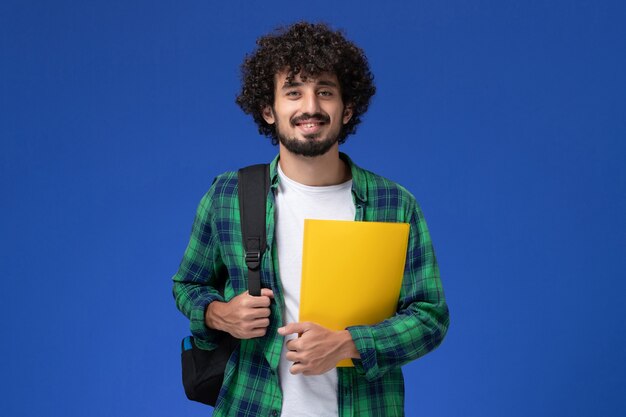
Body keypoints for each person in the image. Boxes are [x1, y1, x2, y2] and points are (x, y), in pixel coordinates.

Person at [173, 22, 449, 417]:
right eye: (293, 92)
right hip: (252, 405)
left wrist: (349, 343)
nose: (311, 107)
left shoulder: (395, 204)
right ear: (269, 110)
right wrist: (220, 314)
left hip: (366, 407)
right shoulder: (228, 196)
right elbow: (189, 284)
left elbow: (430, 317)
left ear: (347, 108)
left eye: (325, 92)